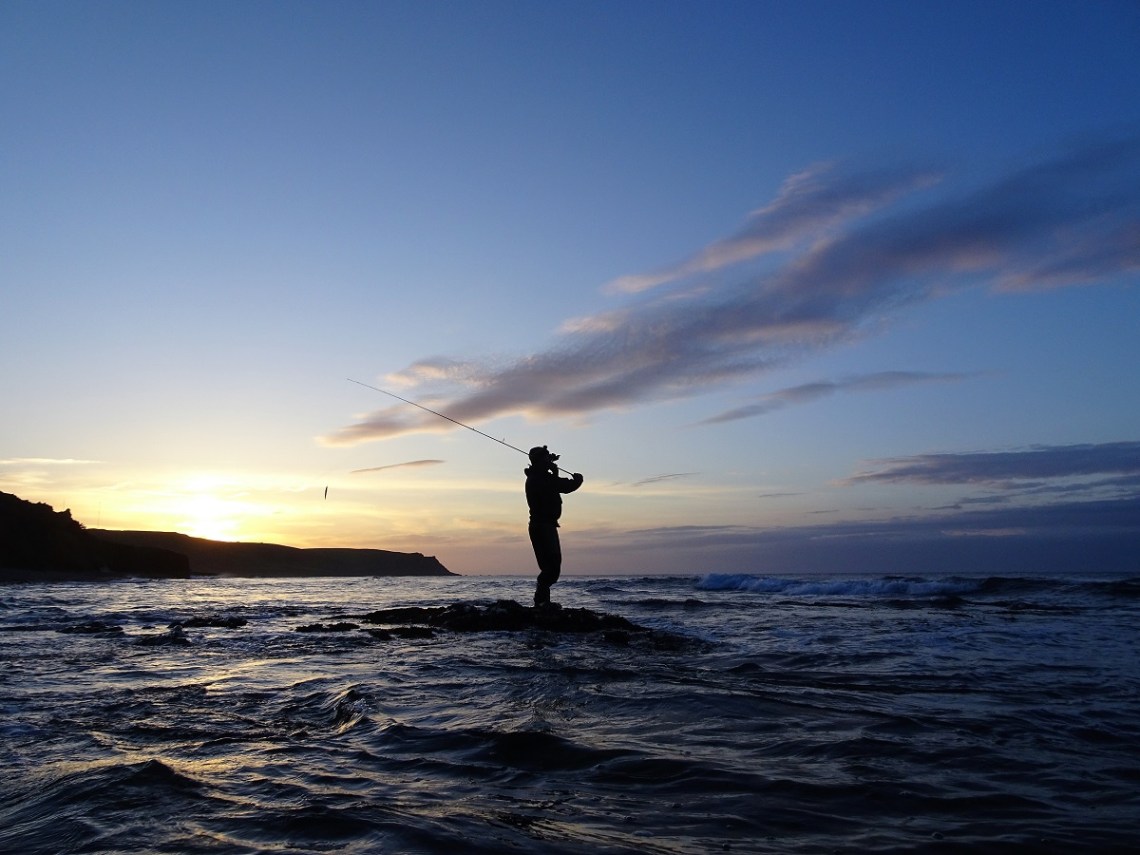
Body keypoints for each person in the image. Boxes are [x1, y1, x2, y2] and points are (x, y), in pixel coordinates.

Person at [525, 445, 583, 607]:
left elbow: (554, 483)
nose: (548, 460)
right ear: (539, 461)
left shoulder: (538, 476)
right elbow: (565, 486)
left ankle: (542, 601)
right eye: (546, 458)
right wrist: (578, 480)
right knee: (552, 564)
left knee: (549, 564)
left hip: (542, 525)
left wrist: (552, 468)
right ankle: (541, 600)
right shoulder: (539, 478)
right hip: (543, 526)